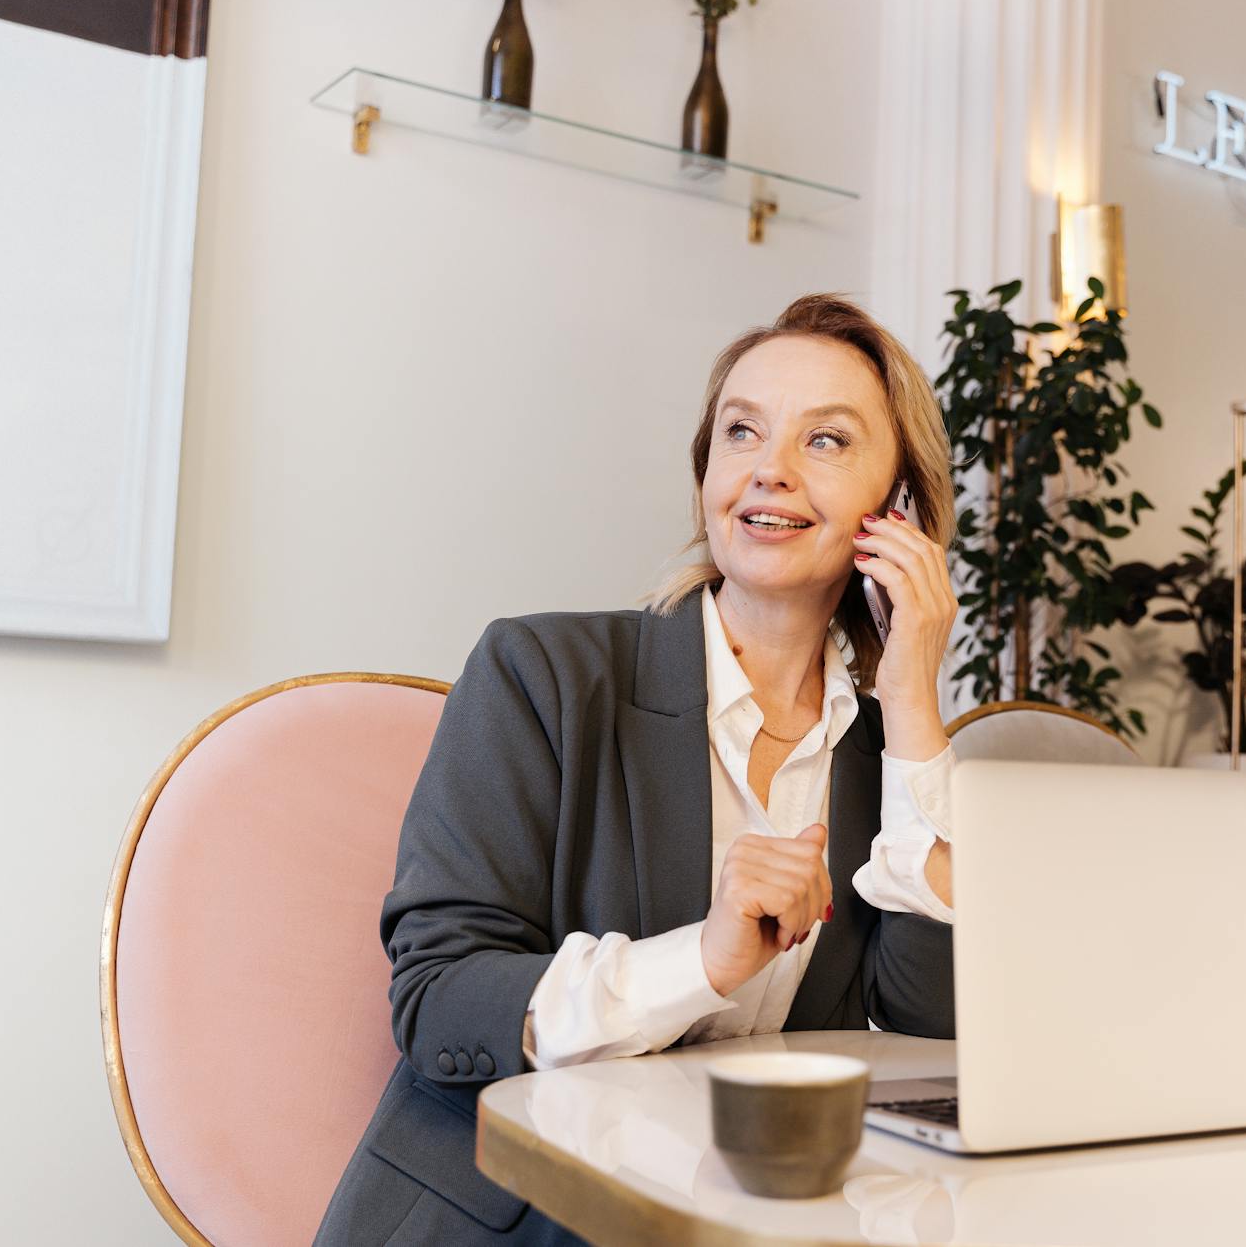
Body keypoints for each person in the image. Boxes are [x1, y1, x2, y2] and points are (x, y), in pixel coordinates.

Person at [315, 294, 961, 1246]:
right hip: (514, 1220)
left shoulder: (880, 757)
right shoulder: (541, 674)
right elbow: (439, 998)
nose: (769, 470)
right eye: (742, 431)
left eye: (825, 441)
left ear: (896, 509)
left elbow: (927, 1024)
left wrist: (912, 702)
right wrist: (701, 960)